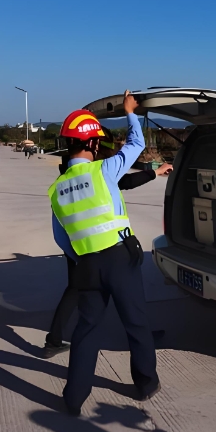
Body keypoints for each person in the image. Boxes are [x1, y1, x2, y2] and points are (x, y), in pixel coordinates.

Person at [48, 91, 160, 415]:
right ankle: (145, 383)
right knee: (135, 322)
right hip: (120, 258)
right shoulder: (103, 170)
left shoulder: (56, 190)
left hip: (86, 263)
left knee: (87, 329)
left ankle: (74, 397)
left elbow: (61, 238)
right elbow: (136, 144)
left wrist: (84, 255)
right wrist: (129, 112)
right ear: (94, 145)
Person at [44, 126, 172, 356]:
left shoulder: (68, 174)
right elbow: (127, 179)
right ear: (95, 146)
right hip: (102, 247)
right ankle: (141, 338)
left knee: (77, 292)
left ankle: (53, 340)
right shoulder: (100, 169)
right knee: (121, 300)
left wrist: (79, 255)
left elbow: (59, 233)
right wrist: (155, 172)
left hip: (79, 245)